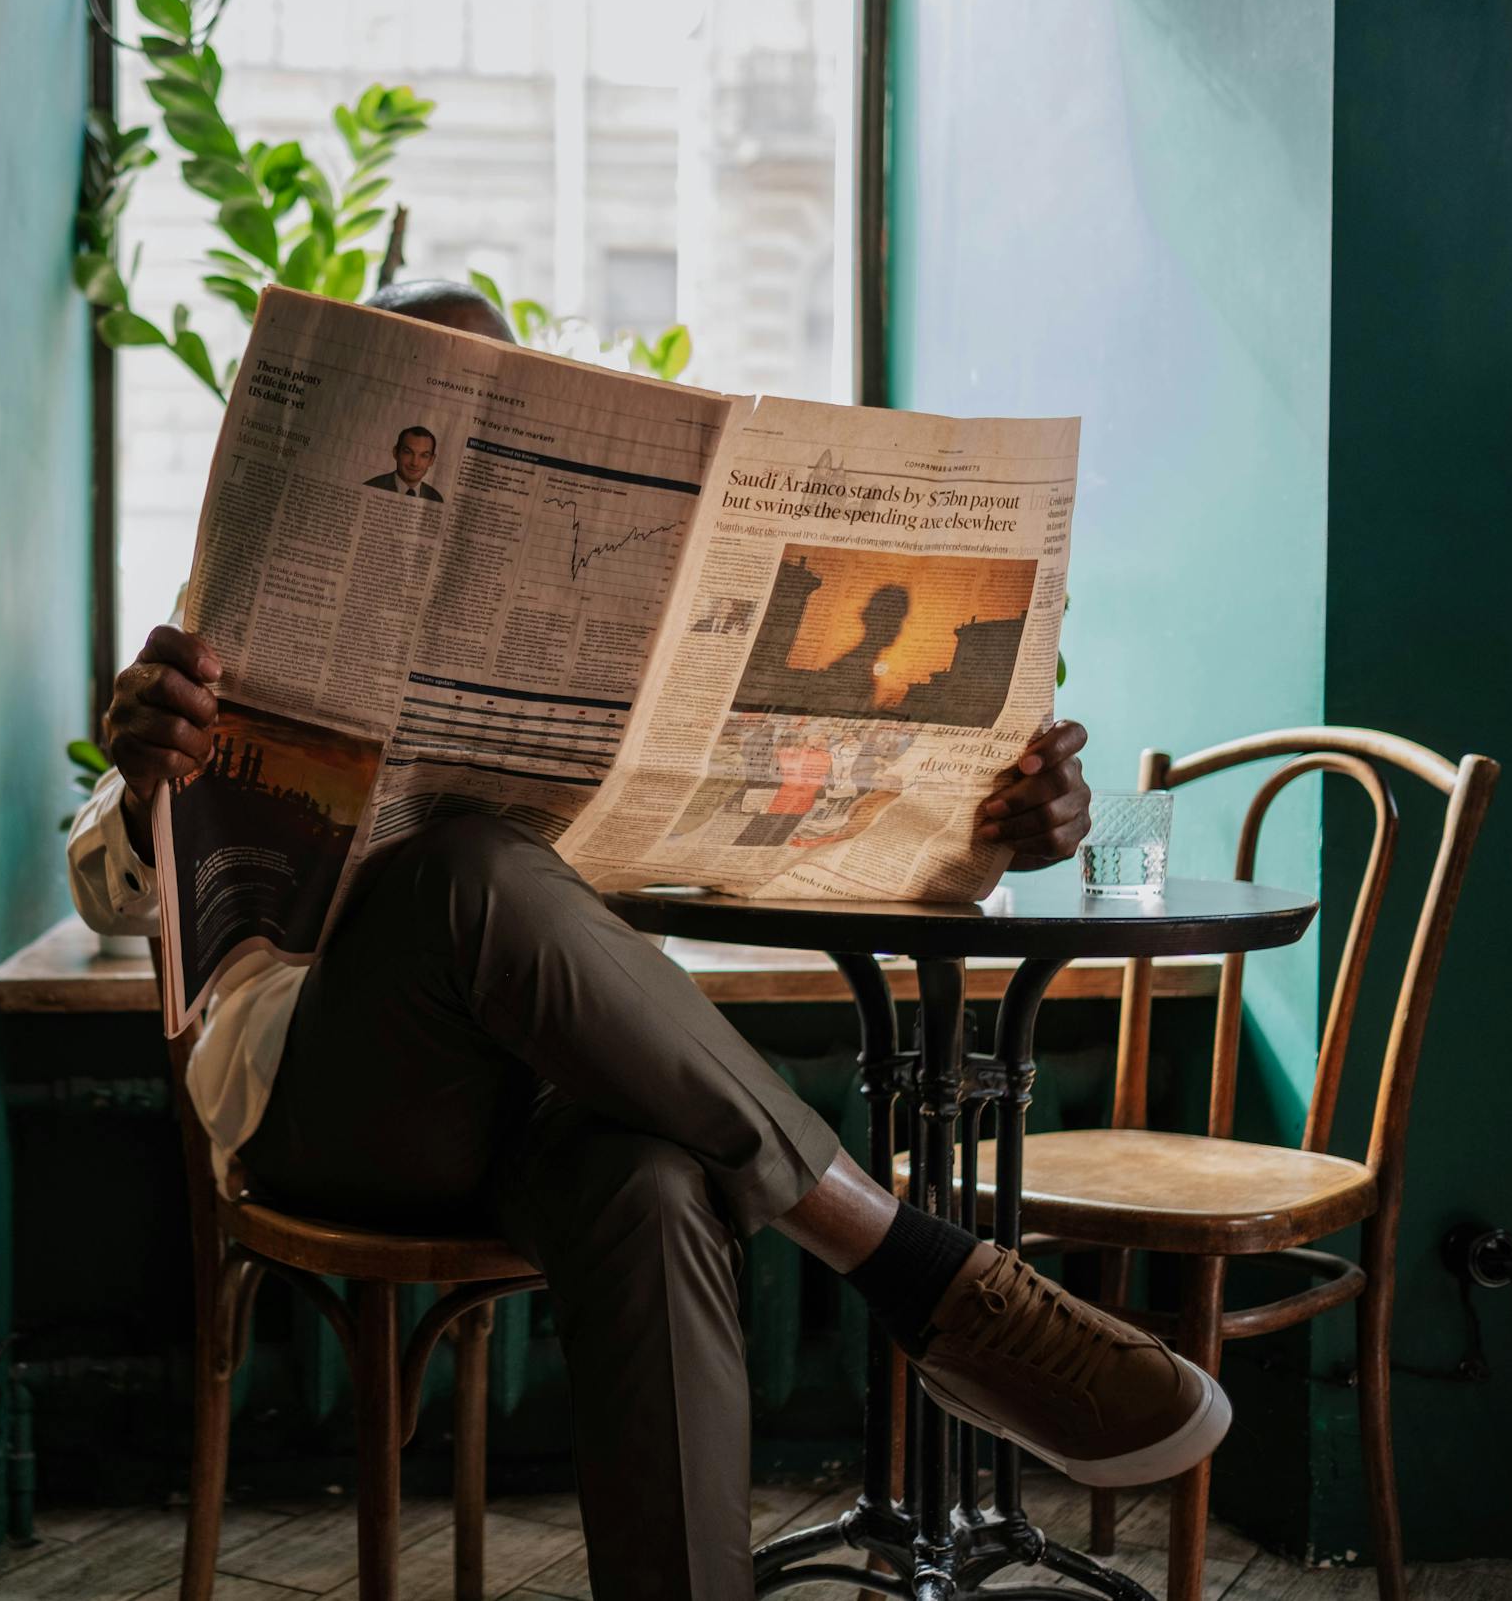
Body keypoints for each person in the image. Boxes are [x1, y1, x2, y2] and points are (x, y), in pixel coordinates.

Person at [67, 280, 1226, 1601]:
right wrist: (148, 778)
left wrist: (999, 825)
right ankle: (912, 1257)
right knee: (461, 872)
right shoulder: (225, 617)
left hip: (551, 1089)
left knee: (660, 1189)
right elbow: (113, 895)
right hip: (335, 1100)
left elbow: (771, 843)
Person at [367, 423, 444, 499]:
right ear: (395, 453)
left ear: (431, 460)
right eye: (408, 452)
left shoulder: (436, 497)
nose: (415, 463)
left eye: (424, 455)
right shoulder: (370, 487)